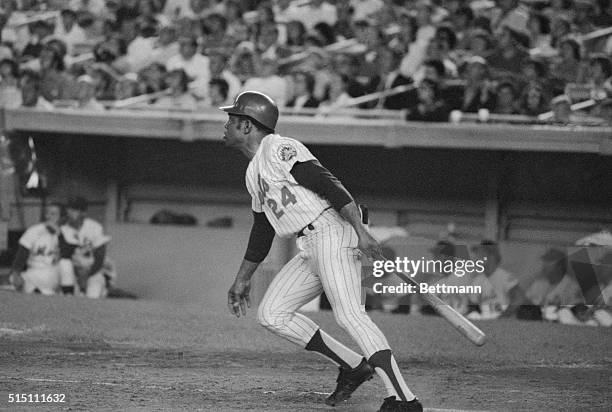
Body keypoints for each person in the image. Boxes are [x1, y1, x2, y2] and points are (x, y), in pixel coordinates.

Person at [221, 91, 423, 412]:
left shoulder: (278, 147)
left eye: (232, 120)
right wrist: (242, 279)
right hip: (309, 244)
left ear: (248, 126)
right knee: (272, 314)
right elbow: (262, 230)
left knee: (349, 315)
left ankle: (403, 400)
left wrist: (360, 231)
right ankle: (354, 366)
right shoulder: (252, 173)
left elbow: (329, 184)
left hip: (332, 231)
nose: (226, 125)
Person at [58, 196, 112, 298]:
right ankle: (68, 293)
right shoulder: (63, 228)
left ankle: (102, 290)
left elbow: (100, 256)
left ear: (83, 213)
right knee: (64, 263)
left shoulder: (95, 227)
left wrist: (87, 275)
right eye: (69, 209)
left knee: (92, 297)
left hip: (92, 271)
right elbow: (64, 255)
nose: (70, 213)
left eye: (75, 210)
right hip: (73, 272)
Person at [9, 203, 63, 295]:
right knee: (12, 279)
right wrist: (16, 273)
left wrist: (59, 235)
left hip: (53, 272)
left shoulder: (65, 232)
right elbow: (22, 254)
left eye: (53, 214)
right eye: (47, 213)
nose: (49, 216)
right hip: (33, 271)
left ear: (61, 217)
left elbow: (67, 253)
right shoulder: (34, 230)